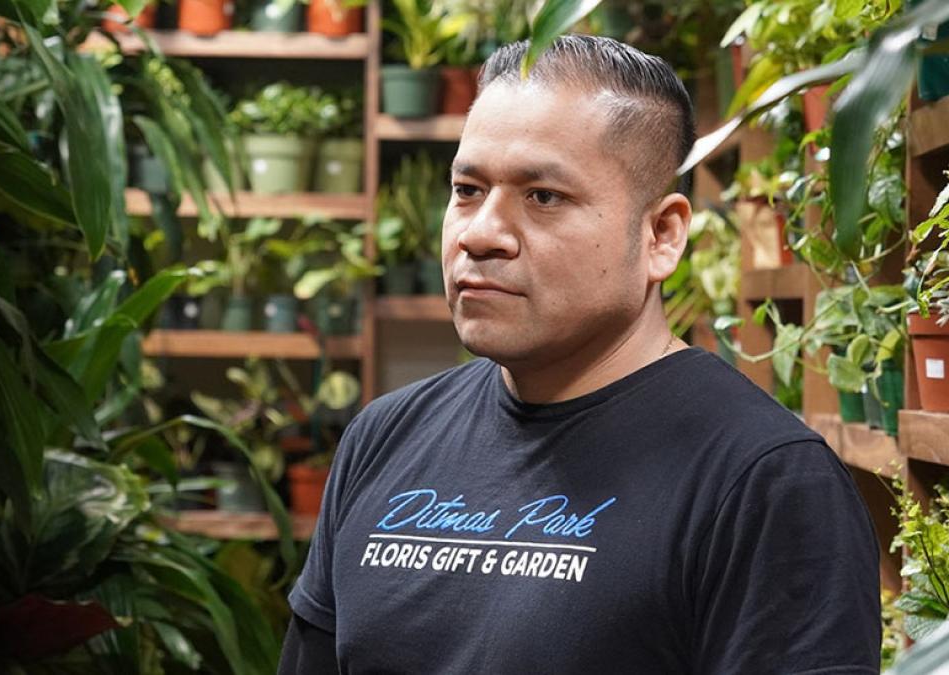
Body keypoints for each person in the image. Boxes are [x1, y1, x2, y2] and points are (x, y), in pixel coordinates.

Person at [279, 35, 880, 674]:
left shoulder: (764, 482)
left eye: (543, 196)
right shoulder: (385, 437)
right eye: (467, 189)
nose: (481, 234)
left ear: (661, 235)